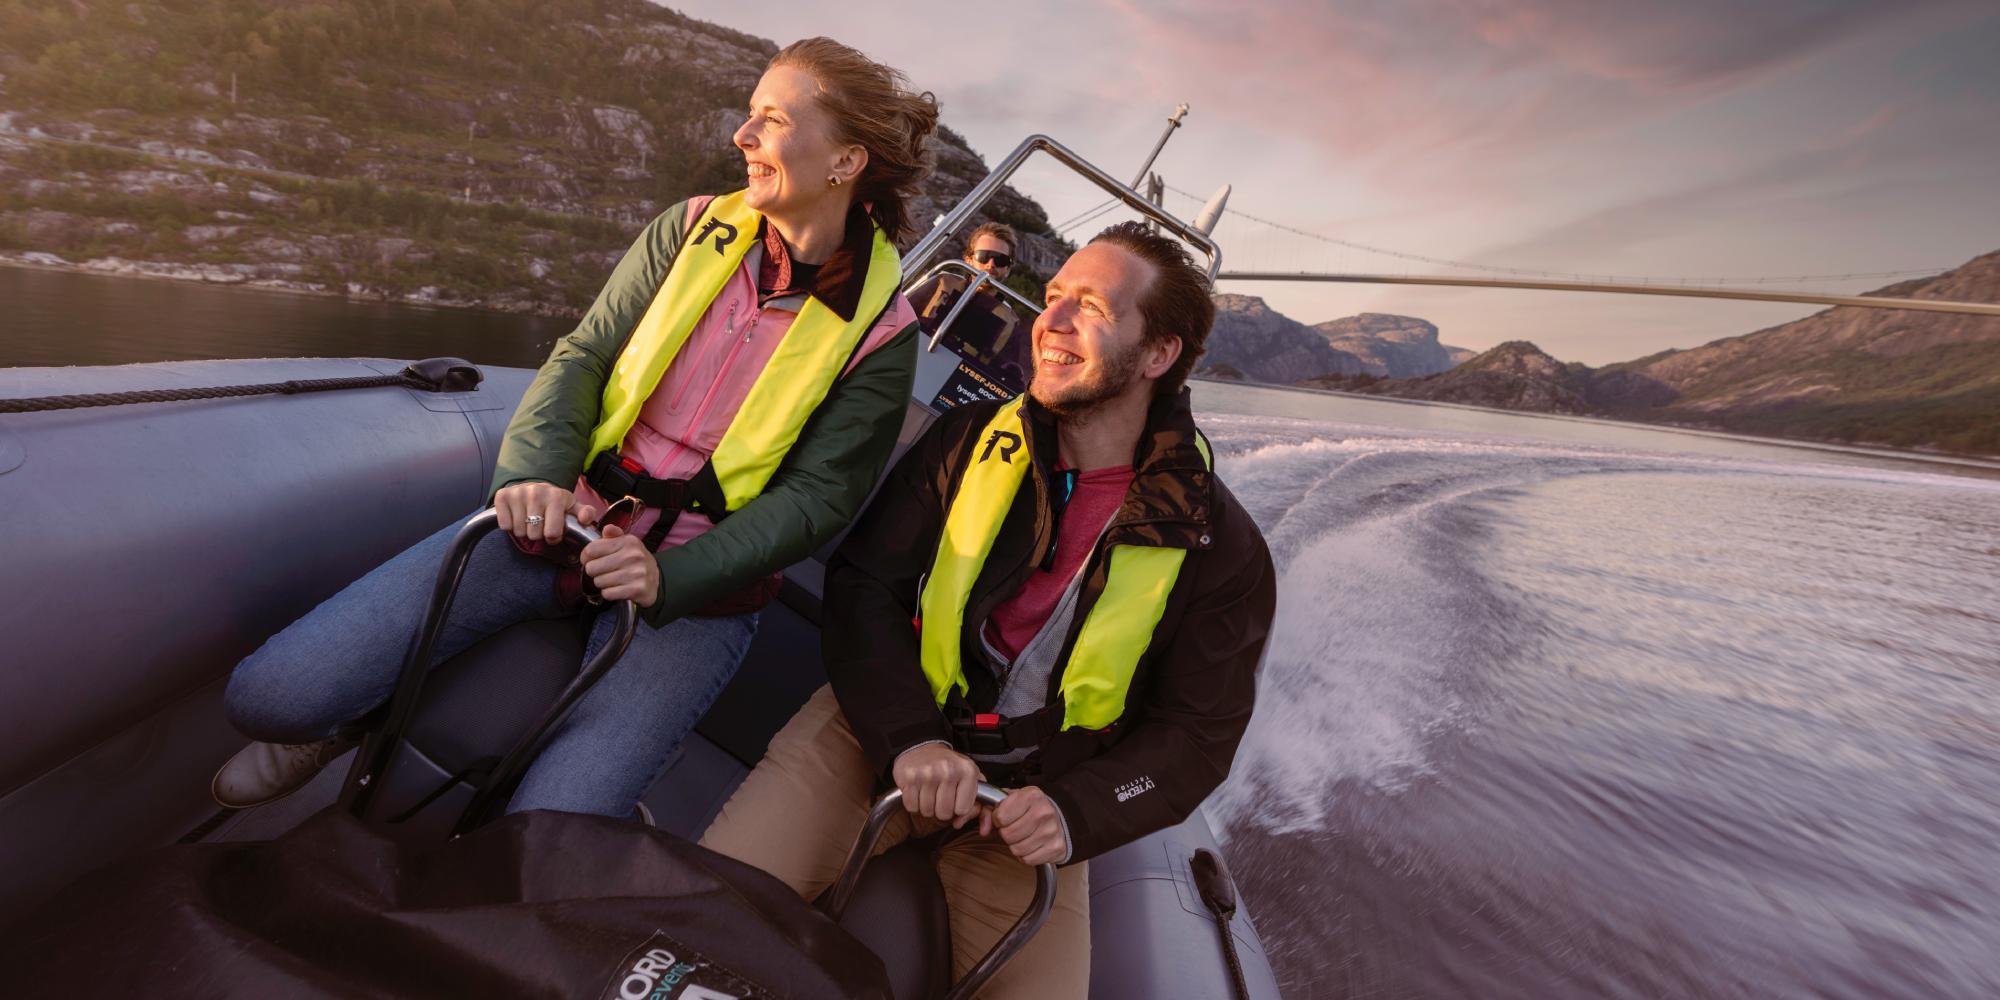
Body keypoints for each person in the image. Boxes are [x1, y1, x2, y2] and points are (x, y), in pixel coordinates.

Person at [210, 37, 940, 819]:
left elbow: (818, 499)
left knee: (552, 826)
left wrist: (672, 577)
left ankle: (605, 794)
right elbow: (585, 357)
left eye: (771, 119)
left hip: (696, 589)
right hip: (566, 518)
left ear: (846, 162)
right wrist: (537, 476)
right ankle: (353, 715)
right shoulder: (690, 230)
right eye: (749, 115)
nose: (743, 136)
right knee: (271, 698)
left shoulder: (885, 333)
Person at [699, 222, 1277, 996]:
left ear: (1158, 355)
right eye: (1053, 298)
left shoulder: (1224, 549)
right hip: (875, 742)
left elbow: (1198, 735)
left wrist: (1074, 812)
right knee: (699, 922)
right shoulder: (966, 441)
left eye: (1092, 309)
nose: (1053, 322)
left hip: (1031, 809)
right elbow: (866, 585)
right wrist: (907, 740)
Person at [906, 221, 1030, 383]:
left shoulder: (1011, 322)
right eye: (983, 256)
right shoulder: (940, 282)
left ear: (1008, 269)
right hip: (911, 362)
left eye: (1000, 260)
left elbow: (1003, 375)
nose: (990, 264)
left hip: (955, 385)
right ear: (968, 259)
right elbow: (897, 317)